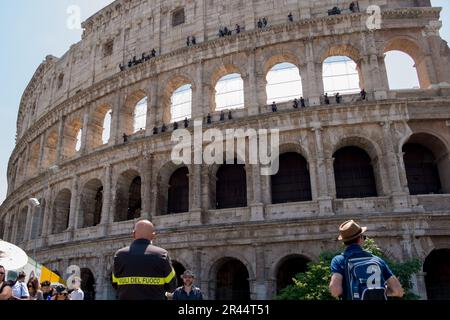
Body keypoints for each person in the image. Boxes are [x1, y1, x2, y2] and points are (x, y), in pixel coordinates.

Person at [329, 220, 405, 300]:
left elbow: (335, 291)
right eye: (364, 237)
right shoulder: (377, 260)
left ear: (344, 241)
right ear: (360, 238)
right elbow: (398, 291)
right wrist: (379, 293)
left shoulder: (339, 260)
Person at [112, 220, 177, 300]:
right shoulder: (162, 254)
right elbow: (171, 285)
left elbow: (114, 283)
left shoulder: (119, 255)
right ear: (153, 236)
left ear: (133, 234)